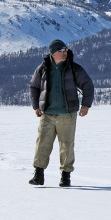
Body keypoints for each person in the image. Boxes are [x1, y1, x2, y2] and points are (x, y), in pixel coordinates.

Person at [28, 39, 94, 187]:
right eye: (61, 51)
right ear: (53, 53)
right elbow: (34, 86)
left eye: (65, 50)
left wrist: (86, 105)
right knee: (42, 144)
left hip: (67, 114)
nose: (65, 53)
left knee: (66, 145)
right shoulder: (43, 68)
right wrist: (36, 106)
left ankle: (66, 176)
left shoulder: (73, 68)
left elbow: (88, 85)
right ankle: (38, 175)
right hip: (47, 114)